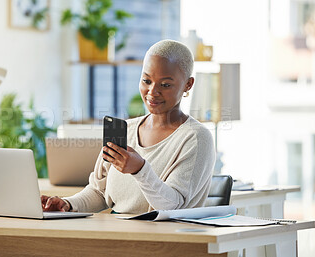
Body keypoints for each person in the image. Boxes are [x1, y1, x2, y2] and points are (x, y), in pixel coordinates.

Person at [41, 39, 216, 214]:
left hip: (165, 238)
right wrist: (68, 204)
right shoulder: (127, 130)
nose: (152, 92)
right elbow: (99, 192)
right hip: (118, 234)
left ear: (188, 84)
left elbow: (173, 207)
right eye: (146, 80)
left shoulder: (196, 138)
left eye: (165, 85)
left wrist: (140, 170)